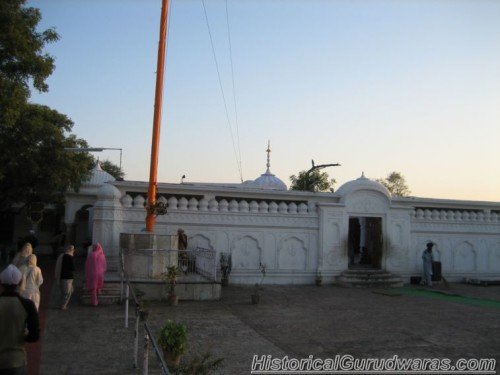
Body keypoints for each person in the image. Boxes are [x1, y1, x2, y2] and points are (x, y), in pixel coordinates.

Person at [0, 265, 40, 374]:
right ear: (21, 282)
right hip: (16, 360)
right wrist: (22, 335)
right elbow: (34, 336)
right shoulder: (27, 304)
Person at [55, 245, 76, 310]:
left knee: (65, 291)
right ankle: (63, 305)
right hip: (68, 277)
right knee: (67, 292)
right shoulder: (70, 257)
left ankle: (62, 304)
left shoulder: (61, 256)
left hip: (62, 276)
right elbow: (72, 268)